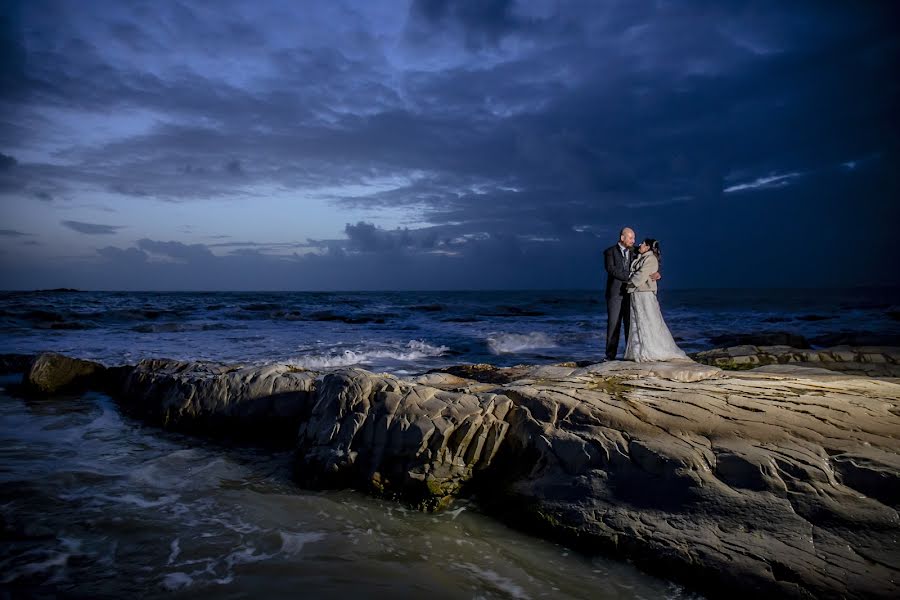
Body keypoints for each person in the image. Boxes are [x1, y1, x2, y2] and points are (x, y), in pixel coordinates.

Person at [623, 239, 689, 362]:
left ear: (648, 247)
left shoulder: (650, 258)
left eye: (643, 243)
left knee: (648, 319)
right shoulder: (641, 256)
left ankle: (651, 350)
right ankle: (638, 350)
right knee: (638, 320)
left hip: (644, 293)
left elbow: (641, 275)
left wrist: (627, 281)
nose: (639, 245)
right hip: (637, 293)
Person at [603, 227, 659, 360]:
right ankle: (610, 356)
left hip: (633, 293)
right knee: (613, 325)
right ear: (622, 238)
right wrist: (632, 277)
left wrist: (656, 273)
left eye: (634, 238)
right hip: (615, 294)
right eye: (630, 238)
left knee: (631, 325)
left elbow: (648, 261)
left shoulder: (636, 251)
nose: (633, 241)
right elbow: (612, 270)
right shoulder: (609, 252)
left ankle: (630, 355)